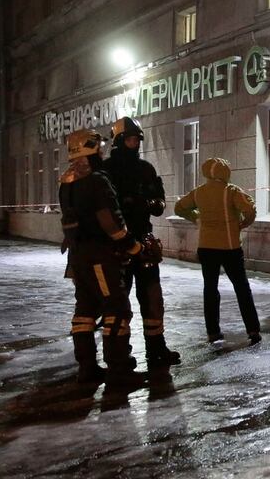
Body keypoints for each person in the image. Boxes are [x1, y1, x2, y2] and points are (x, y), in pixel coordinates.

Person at [59, 128, 147, 387]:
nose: (101, 152)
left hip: (77, 257)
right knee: (116, 309)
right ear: (91, 149)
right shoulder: (97, 180)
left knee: (84, 311)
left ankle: (87, 368)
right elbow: (111, 222)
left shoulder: (66, 182)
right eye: (98, 148)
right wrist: (133, 247)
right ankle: (119, 370)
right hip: (100, 255)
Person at [102, 116, 181, 369]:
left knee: (152, 299)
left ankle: (157, 349)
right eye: (130, 139)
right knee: (118, 303)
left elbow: (159, 203)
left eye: (137, 139)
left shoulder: (146, 169)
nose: (134, 143)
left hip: (144, 243)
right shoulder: (106, 171)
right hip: (117, 245)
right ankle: (119, 356)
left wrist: (146, 203)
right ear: (118, 141)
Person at [174, 157, 261, 344]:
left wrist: (196, 217)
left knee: (210, 289)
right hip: (230, 247)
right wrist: (244, 223)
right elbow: (250, 209)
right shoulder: (231, 191)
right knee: (242, 288)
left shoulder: (198, 193)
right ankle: (253, 329)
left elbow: (179, 207)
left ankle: (213, 332)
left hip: (206, 247)